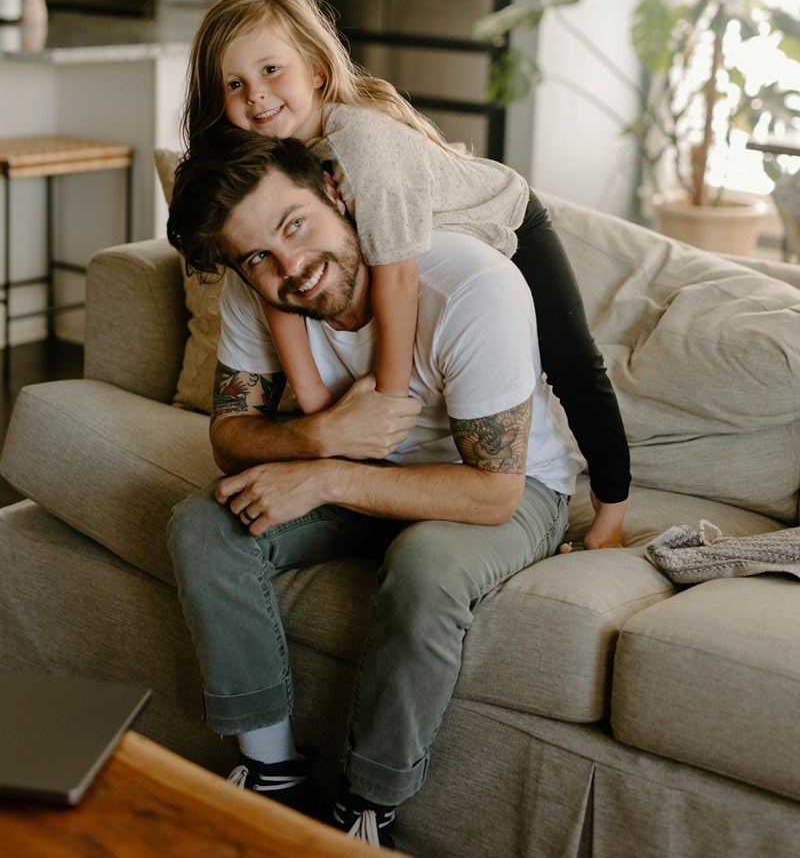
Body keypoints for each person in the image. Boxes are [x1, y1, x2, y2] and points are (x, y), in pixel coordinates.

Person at [165, 132, 602, 847]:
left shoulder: (469, 285)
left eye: (295, 225)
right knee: (203, 524)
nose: (291, 268)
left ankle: (366, 810)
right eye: (258, 258)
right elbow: (229, 436)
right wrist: (318, 439)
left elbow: (493, 494)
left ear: (338, 194)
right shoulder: (260, 291)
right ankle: (273, 776)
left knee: (426, 565)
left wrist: (329, 477)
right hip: (365, 481)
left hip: (506, 491)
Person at [182, 0, 631, 536]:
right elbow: (275, 288)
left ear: (317, 71)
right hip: (427, 234)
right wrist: (320, 407)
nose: (256, 95)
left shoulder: (363, 149)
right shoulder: (263, 166)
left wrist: (389, 405)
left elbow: (397, 279)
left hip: (501, 218)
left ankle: (611, 511)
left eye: (272, 70)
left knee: (571, 363)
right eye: (235, 83)